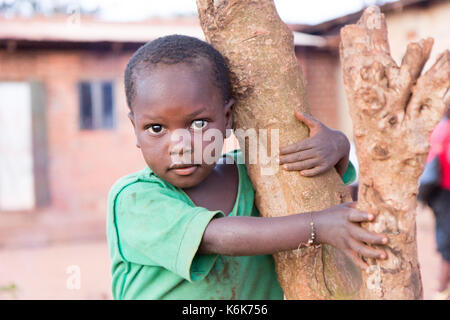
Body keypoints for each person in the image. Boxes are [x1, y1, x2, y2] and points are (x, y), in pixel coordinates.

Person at [106, 35, 389, 300]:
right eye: (156, 128)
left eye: (199, 124)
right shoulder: (134, 199)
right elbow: (217, 237)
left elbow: (324, 176)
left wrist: (337, 144)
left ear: (227, 118)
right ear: (135, 129)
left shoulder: (253, 167)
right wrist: (317, 226)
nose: (180, 144)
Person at [423, 107, 450, 299]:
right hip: (445, 193)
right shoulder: (445, 131)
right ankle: (442, 287)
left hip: (439, 193)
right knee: (446, 240)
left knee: (445, 237)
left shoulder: (440, 129)